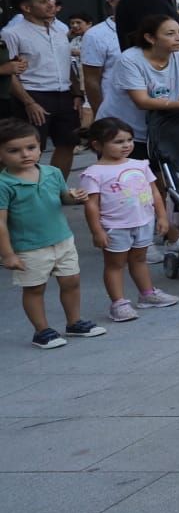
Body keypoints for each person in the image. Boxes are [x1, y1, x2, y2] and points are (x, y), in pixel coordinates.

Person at [0, 119, 102, 349]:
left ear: (39, 146)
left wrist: (74, 196)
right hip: (29, 246)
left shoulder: (52, 172)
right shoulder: (3, 184)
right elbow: (1, 222)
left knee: (71, 281)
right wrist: (7, 254)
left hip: (62, 239)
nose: (25, 154)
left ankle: (74, 322)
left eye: (31, 148)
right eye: (14, 151)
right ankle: (42, 330)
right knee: (35, 288)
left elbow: (62, 196)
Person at [77, 116, 178, 322]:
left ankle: (147, 294)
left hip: (143, 222)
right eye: (118, 142)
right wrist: (97, 231)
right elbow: (91, 205)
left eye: (129, 140)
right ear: (97, 145)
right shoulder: (94, 173)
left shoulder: (140, 164)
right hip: (115, 227)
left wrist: (162, 217)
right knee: (115, 264)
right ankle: (118, 303)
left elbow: (155, 193)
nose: (126, 145)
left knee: (140, 259)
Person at [97, 14, 179, 160]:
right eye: (170, 34)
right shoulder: (129, 59)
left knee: (162, 177)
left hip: (158, 128)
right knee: (127, 178)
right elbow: (142, 102)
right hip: (120, 130)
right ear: (150, 38)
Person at [4, 0, 82, 176]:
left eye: (49, 0)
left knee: (68, 143)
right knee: (29, 148)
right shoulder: (12, 33)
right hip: (34, 93)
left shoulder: (61, 29)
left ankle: (55, 190)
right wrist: (29, 102)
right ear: (26, 8)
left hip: (64, 94)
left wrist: (77, 93)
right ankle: (26, 191)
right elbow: (9, 72)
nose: (50, 5)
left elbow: (65, 62)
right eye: (43, 2)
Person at [80, 0, 133, 117]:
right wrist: (101, 114)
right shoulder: (95, 35)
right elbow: (91, 80)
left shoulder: (149, 29)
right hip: (115, 110)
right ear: (111, 0)